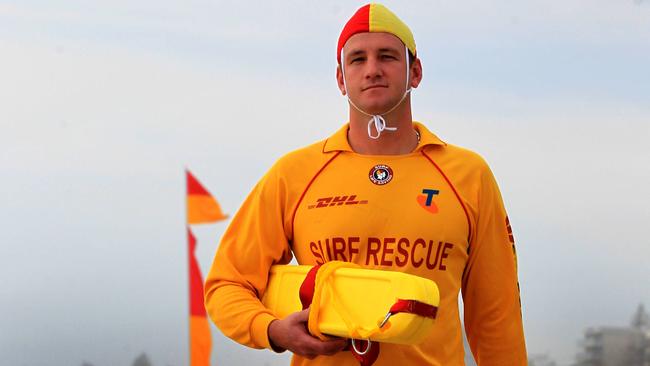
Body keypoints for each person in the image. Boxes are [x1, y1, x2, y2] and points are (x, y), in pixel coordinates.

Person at [204, 3, 527, 365]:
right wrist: (272, 330)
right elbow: (226, 284)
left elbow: (497, 315)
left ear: (415, 72)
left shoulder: (467, 175)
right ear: (341, 80)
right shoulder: (294, 174)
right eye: (357, 59)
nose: (372, 70)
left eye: (387, 56)